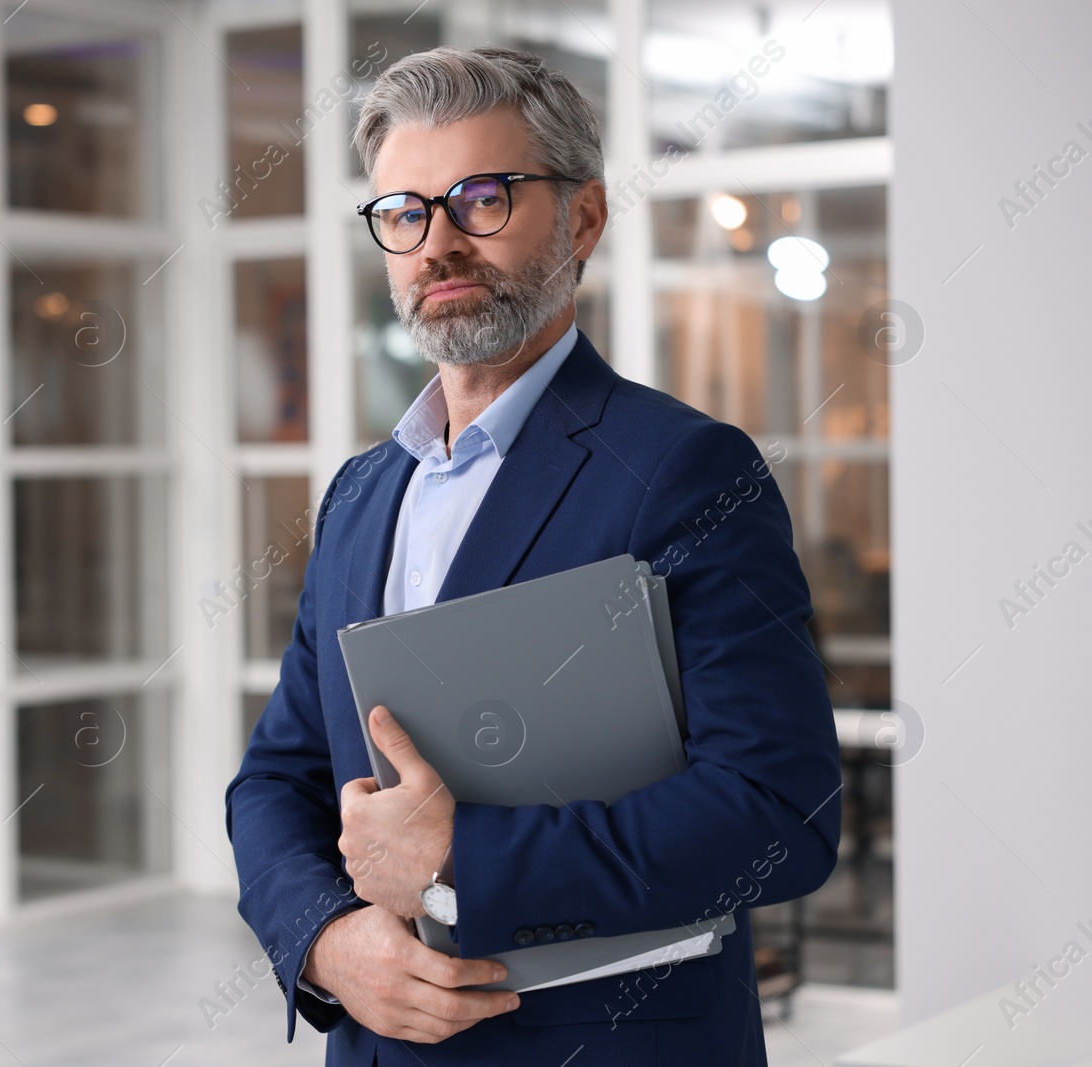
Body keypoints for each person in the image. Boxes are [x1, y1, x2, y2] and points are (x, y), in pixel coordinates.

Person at [224, 45, 842, 1066]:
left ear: (583, 217)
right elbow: (275, 780)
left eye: (481, 198)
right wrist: (328, 942)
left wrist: (458, 854)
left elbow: (780, 809)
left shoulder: (684, 472)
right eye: (404, 213)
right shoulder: (357, 496)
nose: (437, 244)